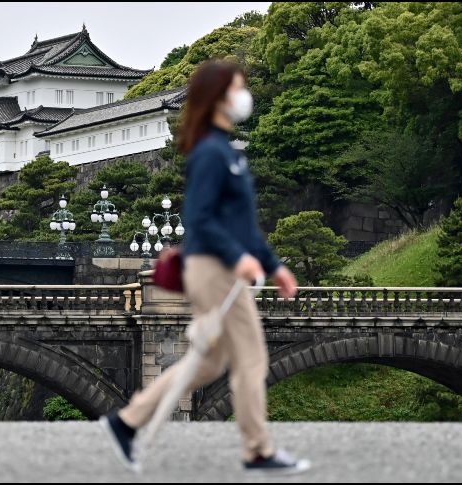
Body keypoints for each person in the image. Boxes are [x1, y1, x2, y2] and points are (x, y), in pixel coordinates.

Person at [99, 59, 310, 475]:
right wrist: (238, 258)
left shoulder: (227, 152)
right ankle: (257, 450)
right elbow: (200, 220)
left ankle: (127, 422)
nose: (243, 97)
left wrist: (274, 265)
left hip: (220, 267)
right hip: (213, 269)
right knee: (251, 357)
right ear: (217, 97)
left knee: (209, 362)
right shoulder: (210, 153)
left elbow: (244, 226)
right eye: (236, 89)